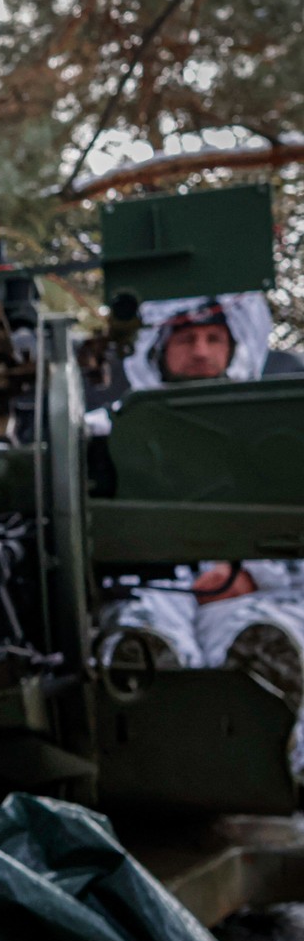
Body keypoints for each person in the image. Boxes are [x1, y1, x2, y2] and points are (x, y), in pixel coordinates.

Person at [94, 292, 304, 747]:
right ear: (159, 347)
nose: (202, 351)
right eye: (187, 338)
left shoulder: (276, 433)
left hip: (253, 592)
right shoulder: (109, 431)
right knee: (146, 633)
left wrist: (251, 573)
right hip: (148, 587)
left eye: (213, 338)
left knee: (261, 636)